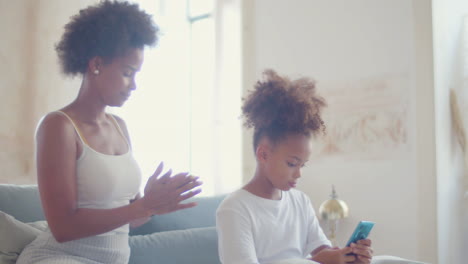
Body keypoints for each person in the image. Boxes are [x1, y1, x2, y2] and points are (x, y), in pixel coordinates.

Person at [17, 1, 202, 263]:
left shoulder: (120, 127)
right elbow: (63, 228)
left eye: (136, 74)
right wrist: (142, 206)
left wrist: (149, 204)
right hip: (59, 257)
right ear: (96, 64)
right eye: (127, 73)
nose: (134, 85)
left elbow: (131, 218)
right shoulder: (58, 126)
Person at [216, 70, 373, 264]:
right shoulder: (235, 208)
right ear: (263, 154)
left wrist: (345, 257)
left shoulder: (300, 201)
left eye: (302, 165)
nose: (298, 174)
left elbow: (321, 250)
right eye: (291, 163)